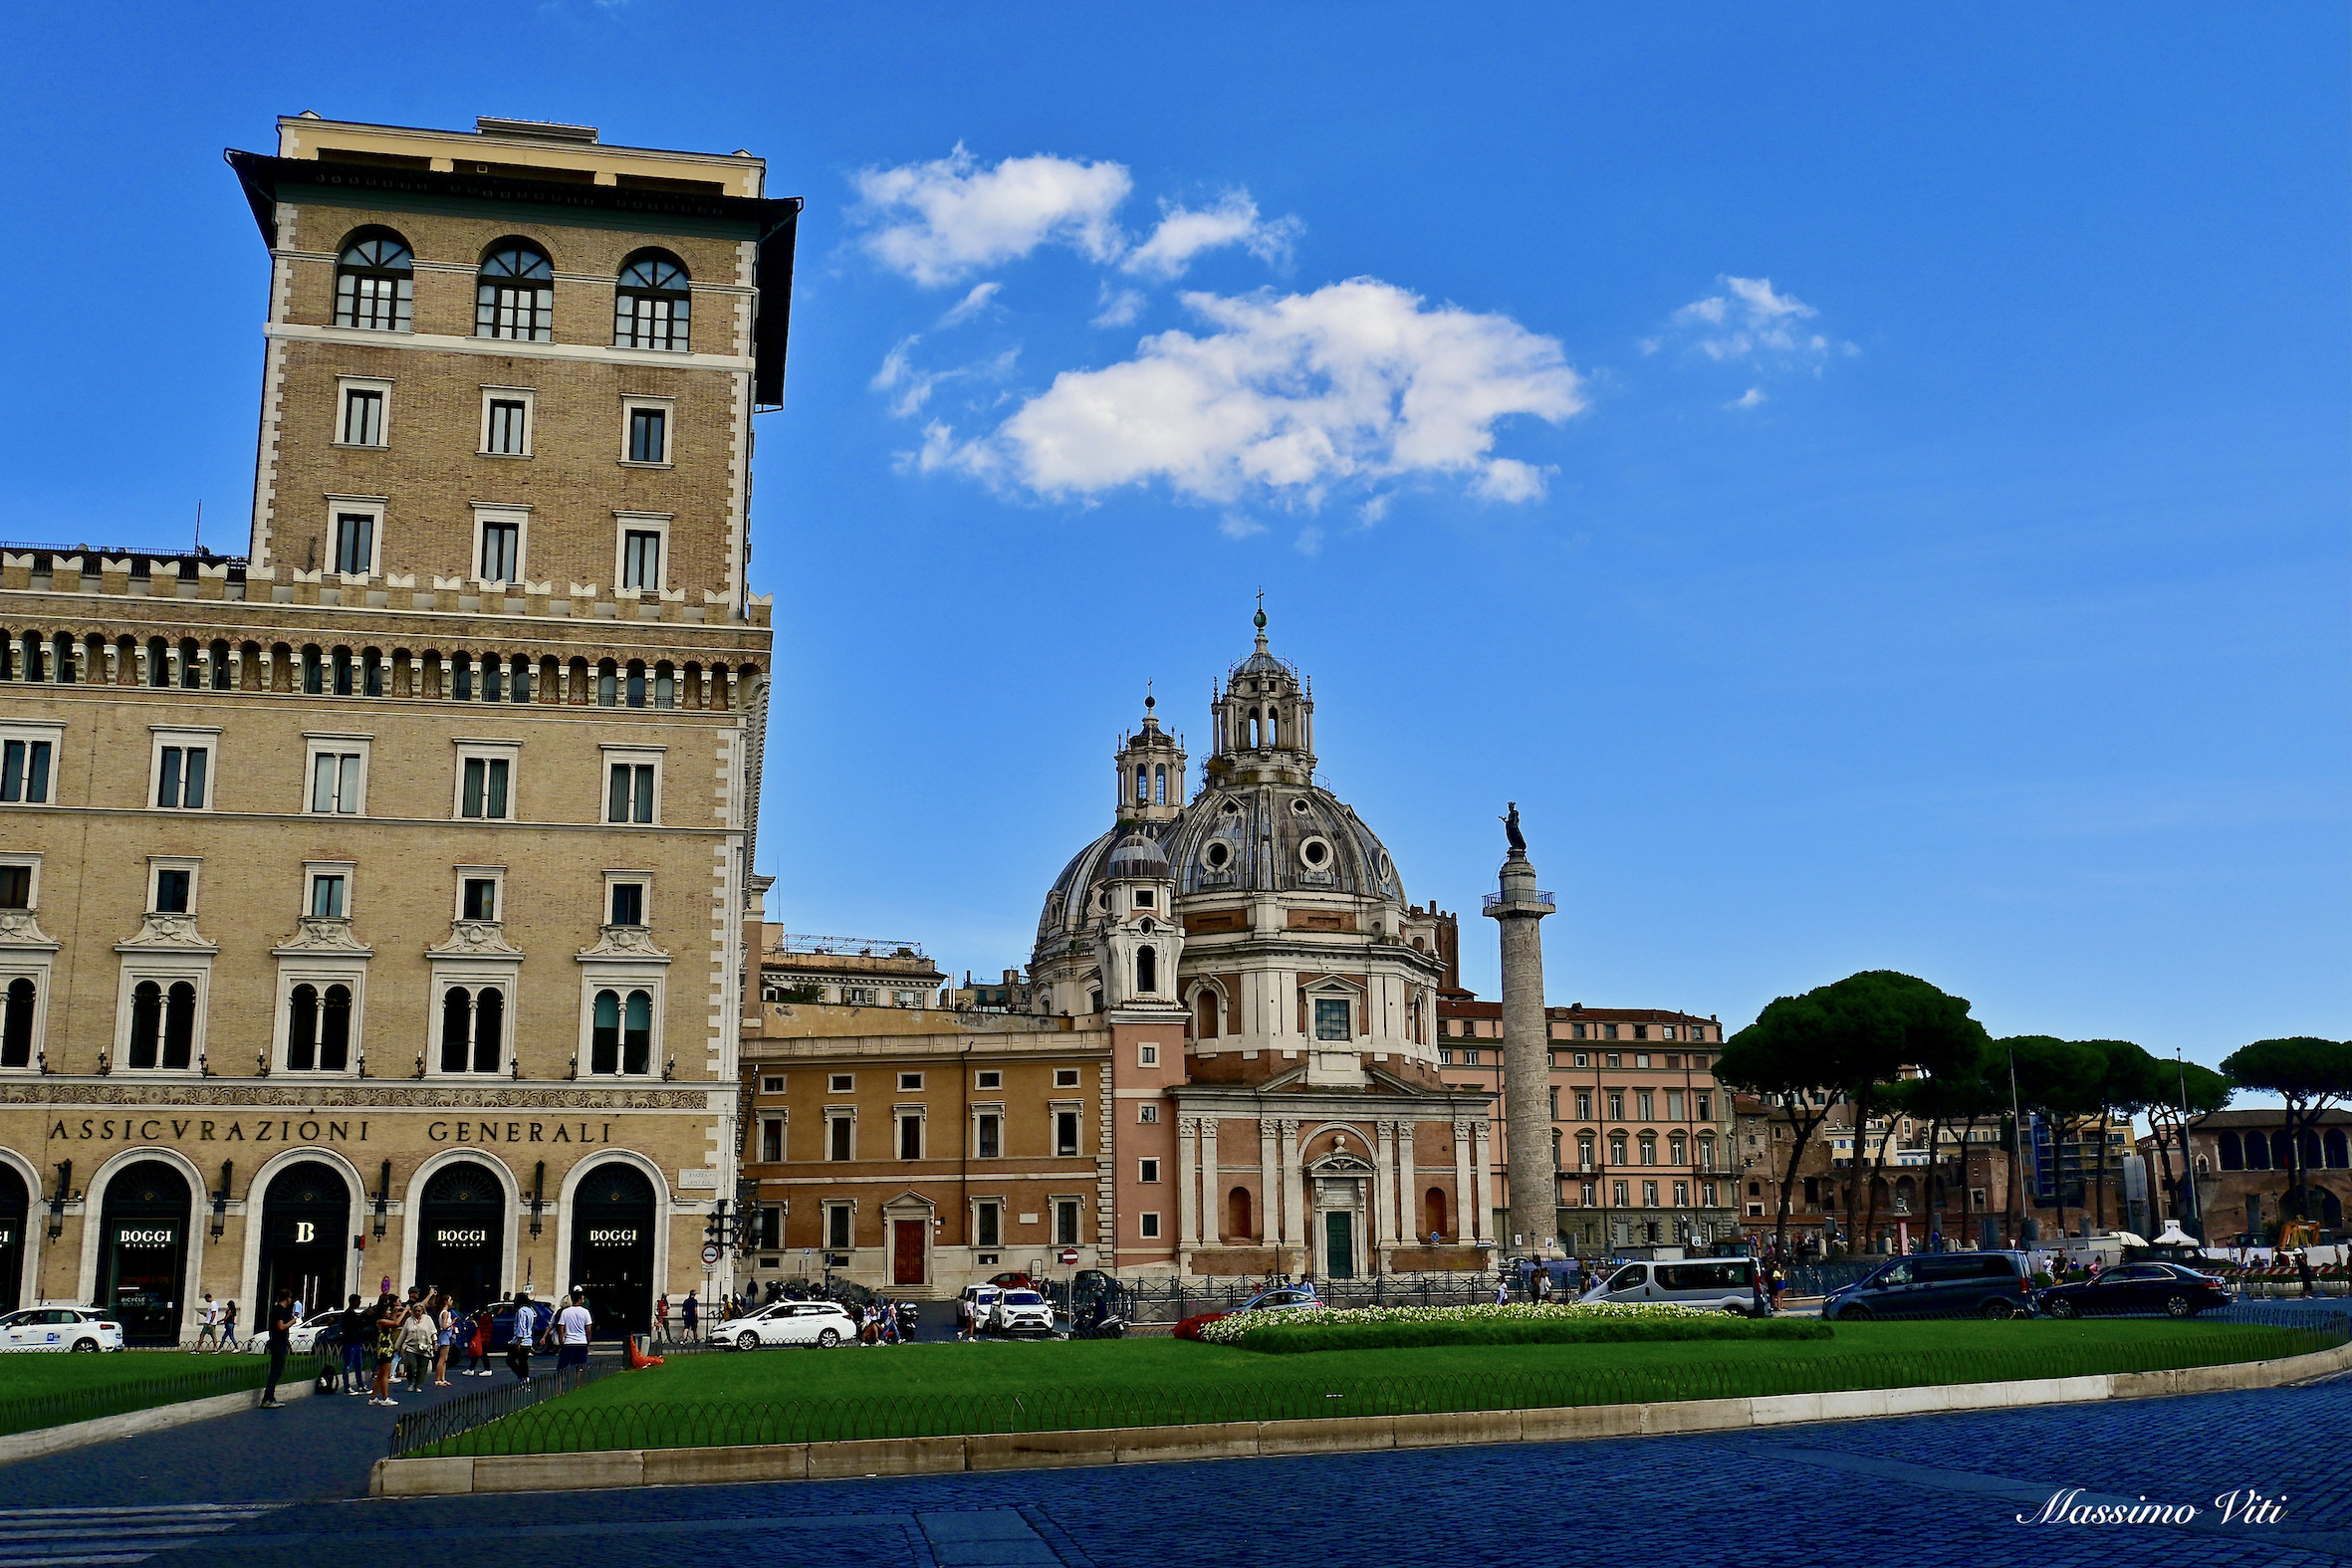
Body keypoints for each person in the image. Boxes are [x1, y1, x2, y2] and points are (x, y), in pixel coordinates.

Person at [257, 1286, 297, 1408]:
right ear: (287, 1298)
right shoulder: (279, 1310)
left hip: (279, 1342)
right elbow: (280, 1326)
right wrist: (292, 1322)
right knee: (276, 1371)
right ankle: (267, 1398)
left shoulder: (280, 1310)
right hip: (278, 1343)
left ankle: (271, 1397)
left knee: (277, 1371)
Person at [369, 1291, 403, 1406]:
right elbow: (396, 1323)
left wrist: (394, 1312)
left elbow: (393, 1321)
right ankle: (385, 1397)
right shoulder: (381, 1321)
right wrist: (405, 1312)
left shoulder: (383, 1321)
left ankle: (373, 1397)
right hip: (384, 1349)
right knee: (384, 1374)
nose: (389, 1312)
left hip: (385, 1348)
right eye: (388, 1310)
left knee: (380, 1374)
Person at [555, 1289, 593, 1372]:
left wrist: (561, 1343)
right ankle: (578, 1383)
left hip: (569, 1342)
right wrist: (588, 1342)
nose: (583, 1301)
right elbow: (588, 1330)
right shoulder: (586, 1312)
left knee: (562, 1367)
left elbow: (561, 1329)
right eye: (582, 1299)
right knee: (579, 1367)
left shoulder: (565, 1312)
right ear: (579, 1300)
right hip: (581, 1342)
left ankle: (561, 1383)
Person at [341, 1294, 369, 1393]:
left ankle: (360, 1384)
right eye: (358, 1301)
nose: (359, 1303)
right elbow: (354, 1325)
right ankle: (347, 1386)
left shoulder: (352, 1314)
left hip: (356, 1342)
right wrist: (363, 1316)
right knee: (348, 1364)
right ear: (352, 1301)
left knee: (358, 1365)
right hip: (350, 1343)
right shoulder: (348, 1315)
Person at [507, 1291, 538, 1383]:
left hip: (521, 1340)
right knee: (523, 1361)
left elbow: (521, 1326)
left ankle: (522, 1376)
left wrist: (518, 1342)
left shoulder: (521, 1311)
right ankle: (525, 1378)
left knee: (510, 1360)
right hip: (528, 1340)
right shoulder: (530, 1310)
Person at [431, 1292, 455, 1387]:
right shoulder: (445, 1313)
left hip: (446, 1335)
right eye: (450, 1300)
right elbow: (444, 1326)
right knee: (442, 1358)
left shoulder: (446, 1312)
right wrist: (452, 1323)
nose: (451, 1302)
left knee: (445, 1359)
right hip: (444, 1335)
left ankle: (442, 1378)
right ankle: (438, 1378)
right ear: (446, 1302)